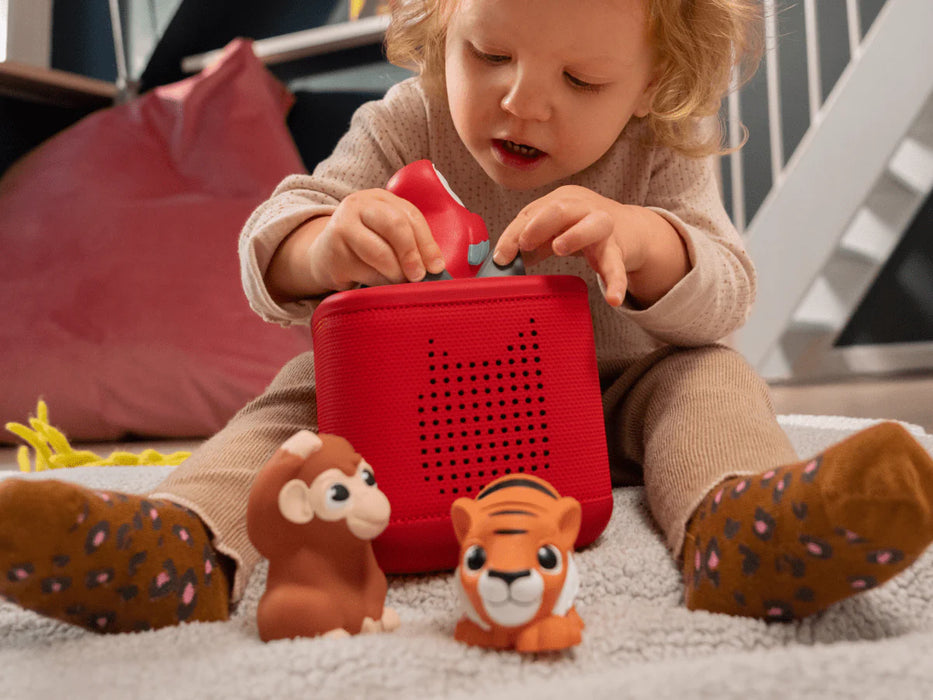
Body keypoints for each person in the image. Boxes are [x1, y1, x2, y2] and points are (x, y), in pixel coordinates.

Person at [2, 0, 932, 633]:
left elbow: (726, 285)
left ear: (652, 84)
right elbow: (269, 241)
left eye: (582, 80)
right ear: (441, 23)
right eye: (488, 54)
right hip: (406, 404)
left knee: (708, 374)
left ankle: (744, 531)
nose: (524, 98)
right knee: (296, 406)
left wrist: (644, 240)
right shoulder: (407, 120)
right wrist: (323, 243)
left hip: (608, 398)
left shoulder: (660, 148)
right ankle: (180, 549)